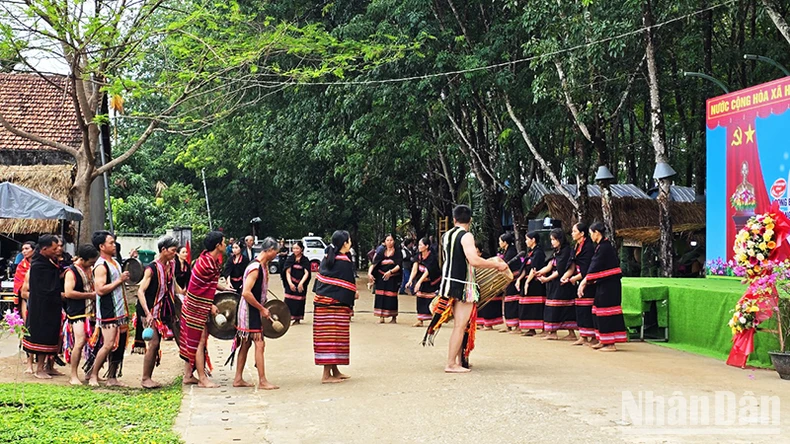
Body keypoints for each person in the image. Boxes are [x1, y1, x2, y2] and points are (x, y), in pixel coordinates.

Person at [438, 205, 507, 373]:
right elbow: (474, 260)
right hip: (463, 285)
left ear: (454, 219)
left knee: (460, 325)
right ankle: (451, 363)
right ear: (470, 220)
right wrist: (496, 265)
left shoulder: (446, 235)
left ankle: (459, 360)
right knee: (460, 326)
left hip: (448, 283)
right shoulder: (466, 236)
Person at [179, 231, 231, 388]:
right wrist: (210, 305)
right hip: (195, 307)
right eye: (224, 241)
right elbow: (195, 291)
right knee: (199, 341)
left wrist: (224, 289)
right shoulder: (204, 264)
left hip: (198, 306)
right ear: (217, 245)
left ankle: (188, 375)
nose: (226, 244)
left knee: (196, 340)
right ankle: (202, 378)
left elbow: (209, 284)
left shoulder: (211, 262)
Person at [232, 237, 279, 390]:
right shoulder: (255, 267)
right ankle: (263, 380)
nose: (276, 255)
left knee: (245, 344)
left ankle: (238, 379)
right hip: (249, 310)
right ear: (270, 250)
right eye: (275, 252)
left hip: (253, 309)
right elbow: (246, 293)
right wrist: (261, 309)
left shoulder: (262, 265)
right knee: (259, 344)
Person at [135, 236, 182, 389]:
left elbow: (172, 283)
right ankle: (145, 378)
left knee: (181, 336)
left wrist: (183, 295)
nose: (175, 254)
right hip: (149, 310)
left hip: (165, 309)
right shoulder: (151, 268)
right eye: (173, 251)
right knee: (154, 342)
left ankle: (189, 374)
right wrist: (148, 314)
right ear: (163, 250)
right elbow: (140, 291)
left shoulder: (172, 264)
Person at [312, 230, 358, 384]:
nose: (350, 242)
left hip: (325, 303)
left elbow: (323, 281)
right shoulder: (343, 261)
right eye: (349, 240)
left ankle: (335, 370)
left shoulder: (329, 257)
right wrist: (353, 294)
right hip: (331, 305)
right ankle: (326, 375)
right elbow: (347, 284)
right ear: (345, 243)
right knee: (330, 338)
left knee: (336, 337)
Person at [88, 231, 131, 387]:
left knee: (118, 345)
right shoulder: (101, 265)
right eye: (111, 243)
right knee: (108, 344)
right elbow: (100, 290)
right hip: (108, 309)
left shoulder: (114, 261)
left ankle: (112, 377)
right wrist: (120, 280)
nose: (114, 245)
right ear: (101, 246)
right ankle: (93, 375)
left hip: (120, 308)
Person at [578, 222, 627, 351]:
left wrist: (583, 282)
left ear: (596, 233)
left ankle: (611, 344)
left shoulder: (605, 247)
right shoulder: (600, 247)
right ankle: (603, 340)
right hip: (603, 284)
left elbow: (595, 266)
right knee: (597, 310)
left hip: (610, 286)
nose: (591, 237)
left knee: (607, 312)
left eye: (591, 234)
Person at [21, 235, 63, 379]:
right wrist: (60, 293)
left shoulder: (49, 261)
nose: (57, 250)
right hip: (41, 308)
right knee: (41, 336)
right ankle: (39, 368)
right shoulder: (38, 265)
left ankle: (49, 366)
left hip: (52, 306)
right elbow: (46, 288)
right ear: (44, 249)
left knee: (52, 335)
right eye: (54, 248)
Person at [63, 244, 99, 385]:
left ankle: (90, 372)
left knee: (94, 343)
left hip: (92, 312)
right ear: (82, 259)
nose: (92, 264)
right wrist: (90, 295)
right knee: (80, 342)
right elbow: (68, 293)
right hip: (77, 312)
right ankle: (73, 375)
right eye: (90, 262)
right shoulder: (71, 272)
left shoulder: (90, 269)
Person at [537, 229, 577, 341]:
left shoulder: (566, 251)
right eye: (551, 240)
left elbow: (561, 270)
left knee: (561, 307)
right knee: (552, 306)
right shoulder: (557, 251)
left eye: (554, 239)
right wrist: (539, 272)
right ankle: (552, 331)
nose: (552, 242)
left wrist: (547, 279)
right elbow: (550, 266)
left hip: (562, 283)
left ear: (560, 239)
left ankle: (562, 332)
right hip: (554, 283)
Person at [562, 222, 596, 346]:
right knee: (580, 310)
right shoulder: (576, 246)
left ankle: (593, 337)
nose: (572, 233)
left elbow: (587, 268)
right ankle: (583, 336)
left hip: (588, 282)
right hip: (578, 281)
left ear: (582, 233)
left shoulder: (588, 247)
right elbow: (572, 265)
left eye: (574, 231)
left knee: (588, 310)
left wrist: (574, 279)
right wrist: (565, 278)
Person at [515, 232, 546, 336]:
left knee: (536, 306)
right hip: (527, 280)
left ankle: (542, 329)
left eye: (527, 239)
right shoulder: (530, 253)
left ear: (533, 240)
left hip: (535, 283)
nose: (526, 241)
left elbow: (534, 268)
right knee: (527, 305)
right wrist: (519, 279)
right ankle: (531, 328)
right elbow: (525, 268)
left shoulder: (539, 252)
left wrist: (527, 282)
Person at [407, 237, 440, 328]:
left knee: (431, 301)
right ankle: (420, 320)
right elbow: (414, 269)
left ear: (426, 246)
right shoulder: (418, 256)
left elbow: (428, 271)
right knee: (420, 299)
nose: (419, 246)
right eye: (419, 245)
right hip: (422, 281)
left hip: (431, 281)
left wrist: (419, 282)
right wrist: (410, 280)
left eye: (421, 245)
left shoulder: (432, 257)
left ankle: (435, 321)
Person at [368, 234, 402, 323]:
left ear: (394, 241)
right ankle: (381, 317)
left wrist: (390, 272)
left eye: (391, 240)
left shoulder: (397, 252)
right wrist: (369, 273)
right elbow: (374, 263)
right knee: (380, 296)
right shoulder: (381, 252)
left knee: (392, 296)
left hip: (392, 278)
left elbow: (399, 265)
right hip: (381, 277)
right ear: (384, 242)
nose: (389, 242)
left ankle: (393, 317)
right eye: (387, 240)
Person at [283, 241, 311, 325]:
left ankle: (297, 318)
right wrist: (290, 283)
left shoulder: (305, 260)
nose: (295, 250)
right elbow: (287, 272)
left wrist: (301, 283)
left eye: (297, 248)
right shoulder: (290, 259)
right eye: (294, 248)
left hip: (301, 283)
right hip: (291, 282)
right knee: (288, 300)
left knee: (299, 301)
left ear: (301, 249)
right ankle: (287, 318)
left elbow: (307, 272)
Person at [499, 232, 521, 333]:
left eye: (500, 241)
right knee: (508, 302)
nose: (499, 243)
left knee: (513, 302)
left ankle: (517, 327)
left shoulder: (511, 252)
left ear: (505, 242)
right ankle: (508, 325)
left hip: (514, 279)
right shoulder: (507, 251)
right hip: (509, 279)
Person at [13, 241, 35, 315]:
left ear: (34, 250)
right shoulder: (21, 266)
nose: (24, 251)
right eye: (22, 249)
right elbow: (18, 282)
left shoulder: (41, 264)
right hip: (26, 296)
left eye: (26, 249)